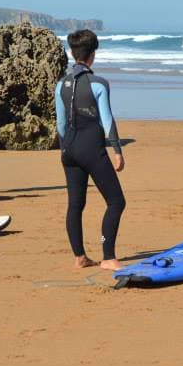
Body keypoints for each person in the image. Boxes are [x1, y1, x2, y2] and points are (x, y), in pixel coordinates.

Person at [55, 30, 126, 270]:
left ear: (72, 53)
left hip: (69, 150)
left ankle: (80, 257)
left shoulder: (61, 85)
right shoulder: (98, 83)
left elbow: (61, 124)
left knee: (75, 204)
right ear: (93, 54)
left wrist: (67, 149)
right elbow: (107, 120)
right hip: (91, 149)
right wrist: (117, 150)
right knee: (116, 202)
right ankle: (108, 256)